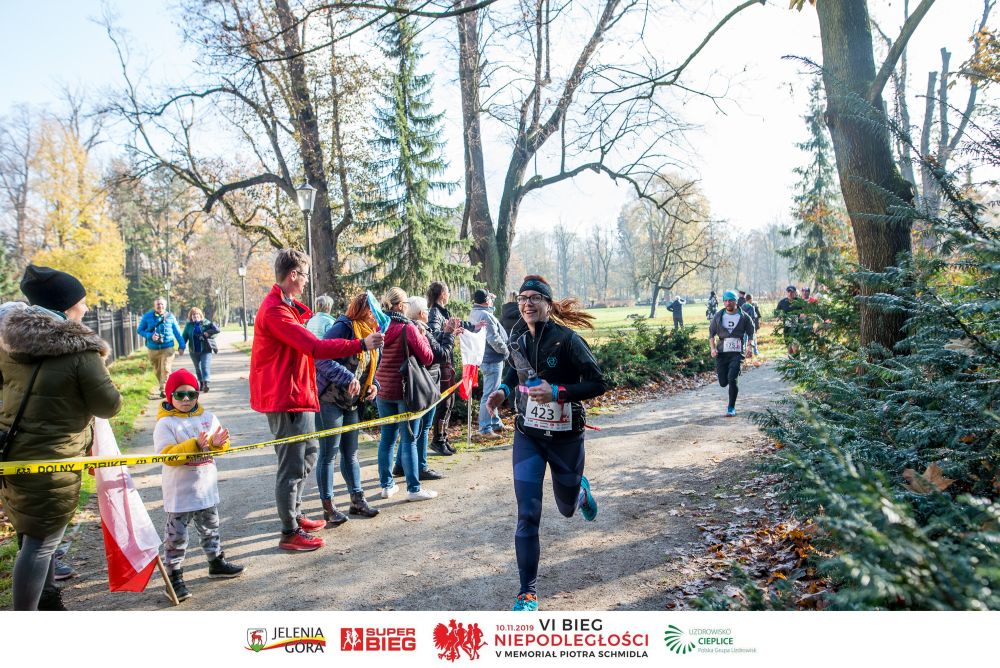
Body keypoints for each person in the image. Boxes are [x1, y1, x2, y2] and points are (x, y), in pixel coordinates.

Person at [0, 265, 122, 610]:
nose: (86, 306)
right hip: (53, 462)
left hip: (13, 453)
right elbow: (109, 405)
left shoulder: (9, 343)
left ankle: (48, 599)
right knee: (40, 545)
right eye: (82, 300)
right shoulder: (80, 352)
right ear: (67, 305)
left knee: (30, 534)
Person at [484, 275, 607, 612]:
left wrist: (557, 392)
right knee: (527, 513)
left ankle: (580, 493)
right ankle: (527, 592)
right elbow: (516, 371)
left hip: (566, 438)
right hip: (529, 436)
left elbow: (598, 383)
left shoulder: (568, 340)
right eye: (523, 298)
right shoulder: (518, 337)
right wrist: (503, 391)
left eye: (535, 298)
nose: (527, 303)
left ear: (548, 304)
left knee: (566, 509)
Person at [249, 249, 384, 552]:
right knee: (291, 465)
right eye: (305, 275)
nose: (307, 281)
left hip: (300, 394)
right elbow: (315, 347)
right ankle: (289, 531)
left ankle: (296, 513)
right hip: (286, 398)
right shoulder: (275, 311)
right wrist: (360, 344)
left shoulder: (288, 307)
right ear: (293, 275)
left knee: (310, 453)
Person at [153, 369, 244, 601]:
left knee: (211, 528)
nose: (186, 399)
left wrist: (217, 444)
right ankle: (174, 576)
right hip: (180, 493)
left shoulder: (208, 417)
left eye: (191, 394)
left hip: (205, 488)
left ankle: (216, 562)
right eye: (179, 394)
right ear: (169, 396)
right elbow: (167, 456)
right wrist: (194, 444)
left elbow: (219, 443)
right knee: (176, 536)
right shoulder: (165, 424)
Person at [314, 293, 382, 523]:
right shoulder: (343, 327)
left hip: (353, 403)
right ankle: (328, 506)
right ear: (363, 310)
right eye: (372, 311)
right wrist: (346, 377)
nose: (376, 316)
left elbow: (370, 368)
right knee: (328, 454)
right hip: (329, 399)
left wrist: (374, 385)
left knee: (351, 452)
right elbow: (320, 358)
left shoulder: (373, 333)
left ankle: (357, 501)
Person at [373, 287, 439, 501]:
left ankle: (387, 486)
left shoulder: (380, 326)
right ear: (401, 306)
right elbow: (428, 357)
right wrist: (422, 335)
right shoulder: (407, 328)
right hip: (404, 391)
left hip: (383, 389)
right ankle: (413, 488)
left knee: (387, 439)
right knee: (409, 439)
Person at [393, 295, 450, 481]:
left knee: (411, 431)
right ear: (420, 313)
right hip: (425, 385)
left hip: (420, 382)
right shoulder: (417, 330)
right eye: (425, 310)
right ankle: (421, 467)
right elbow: (438, 354)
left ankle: (400, 465)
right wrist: (448, 334)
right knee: (421, 428)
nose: (428, 313)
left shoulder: (413, 328)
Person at [426, 281, 478, 456]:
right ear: (442, 294)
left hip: (447, 364)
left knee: (449, 403)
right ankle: (438, 440)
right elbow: (432, 336)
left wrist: (473, 327)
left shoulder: (443, 312)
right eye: (447, 291)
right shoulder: (434, 313)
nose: (449, 294)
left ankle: (443, 437)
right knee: (444, 404)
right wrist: (448, 333)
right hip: (441, 366)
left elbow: (457, 323)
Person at [468, 289, 509, 438]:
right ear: (486, 301)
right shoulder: (485, 315)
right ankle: (485, 428)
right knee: (490, 395)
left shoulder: (475, 312)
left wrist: (489, 299)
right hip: (492, 359)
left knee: (493, 392)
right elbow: (494, 339)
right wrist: (506, 351)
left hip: (486, 358)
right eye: (489, 299)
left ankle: (495, 423)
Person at [709, 290, 756, 417]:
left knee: (732, 379)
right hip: (722, 353)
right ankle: (732, 373)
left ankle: (731, 408)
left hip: (737, 353)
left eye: (730, 300)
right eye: (725, 300)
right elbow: (711, 335)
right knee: (723, 382)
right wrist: (712, 349)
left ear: (736, 301)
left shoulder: (744, 316)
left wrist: (749, 346)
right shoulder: (718, 316)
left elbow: (751, 333)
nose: (728, 303)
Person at [137, 296, 185, 398]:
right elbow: (140, 330)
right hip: (152, 348)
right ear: (154, 306)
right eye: (158, 304)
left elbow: (177, 332)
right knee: (157, 370)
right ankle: (163, 385)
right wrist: (150, 336)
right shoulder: (147, 316)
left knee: (166, 368)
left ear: (165, 305)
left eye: (162, 304)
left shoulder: (170, 317)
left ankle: (164, 389)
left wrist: (182, 345)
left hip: (168, 347)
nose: (160, 306)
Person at [181, 307, 220, 392]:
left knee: (204, 366)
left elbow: (215, 333)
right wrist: (181, 347)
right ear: (191, 317)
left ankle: (206, 383)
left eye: (197, 314)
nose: (195, 316)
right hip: (194, 351)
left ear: (200, 315)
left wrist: (208, 334)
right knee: (198, 368)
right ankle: (201, 382)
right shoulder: (188, 326)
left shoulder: (207, 323)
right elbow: (184, 337)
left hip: (206, 349)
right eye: (193, 315)